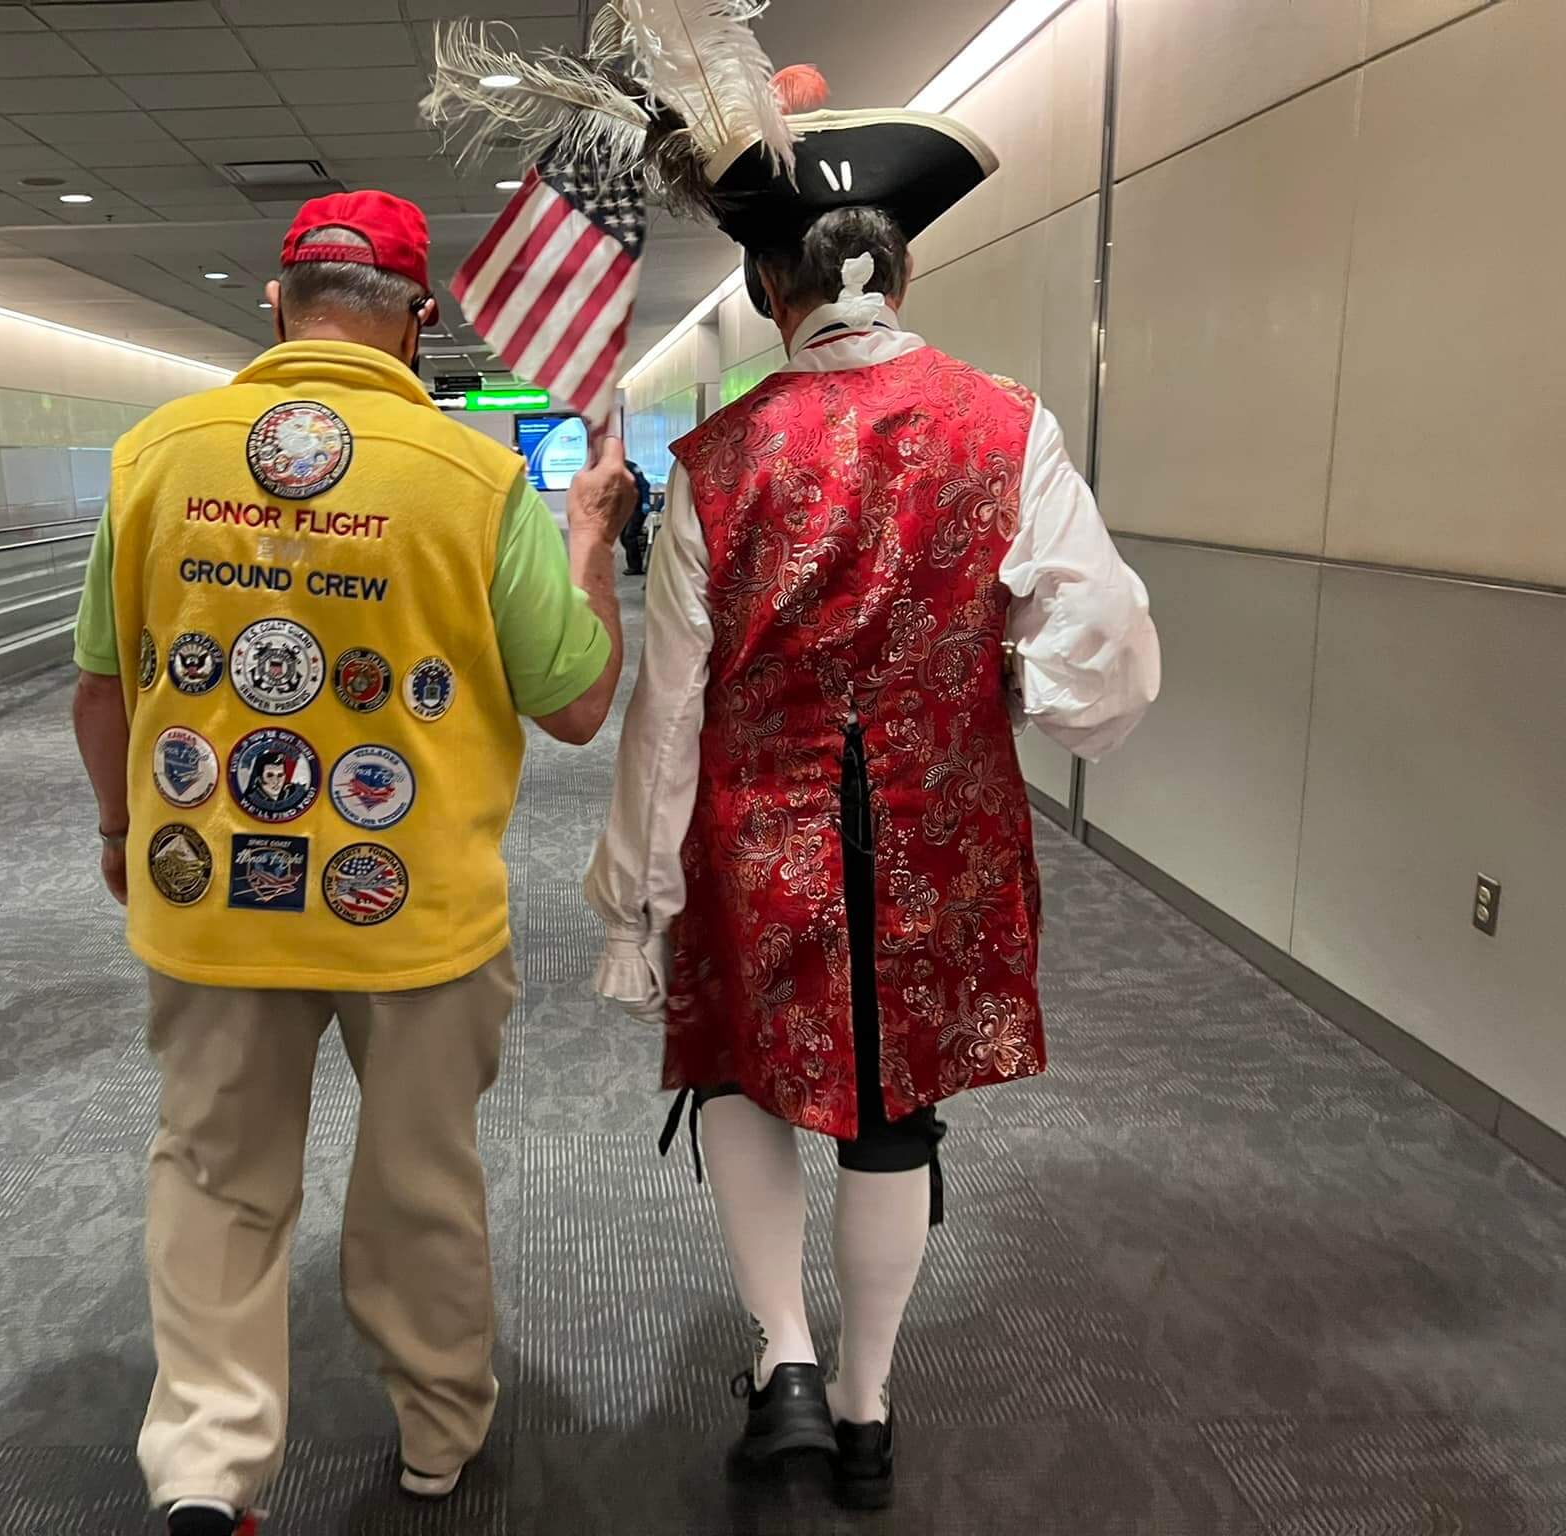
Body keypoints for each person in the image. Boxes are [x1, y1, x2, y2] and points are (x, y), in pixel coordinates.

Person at [585, 98, 1161, 1511]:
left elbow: (669, 715)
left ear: (768, 291)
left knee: (740, 1071)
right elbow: (1114, 656)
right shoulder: (1007, 426)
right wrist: (1001, 693)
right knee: (893, 1116)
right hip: (938, 835)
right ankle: (865, 1400)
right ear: (895, 273)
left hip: (754, 839)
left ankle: (783, 1358)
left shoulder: (716, 464)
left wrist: (637, 901)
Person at [72, 189, 636, 1536]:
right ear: (420, 321)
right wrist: (593, 543)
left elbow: (104, 687)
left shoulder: (155, 452)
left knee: (213, 1173)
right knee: (419, 1182)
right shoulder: (475, 475)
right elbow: (573, 703)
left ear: (274, 301)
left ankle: (208, 1466)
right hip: (414, 907)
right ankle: (437, 1435)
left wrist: (118, 832)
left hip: (210, 887)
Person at [623, 457, 653, 577]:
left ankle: (635, 567)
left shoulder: (631, 466)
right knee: (623, 537)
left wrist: (645, 501)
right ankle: (637, 555)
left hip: (638, 507)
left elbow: (644, 484)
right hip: (625, 509)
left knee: (630, 535)